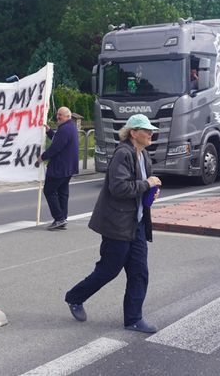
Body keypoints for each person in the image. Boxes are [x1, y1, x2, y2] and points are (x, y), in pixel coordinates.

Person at [64, 114, 162, 333]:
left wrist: (151, 190)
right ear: (133, 133)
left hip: (136, 224)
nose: (151, 133)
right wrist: (146, 184)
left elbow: (143, 184)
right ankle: (74, 297)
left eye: (151, 130)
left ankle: (134, 319)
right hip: (117, 223)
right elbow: (119, 188)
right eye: (146, 130)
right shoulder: (123, 154)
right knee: (109, 270)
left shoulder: (143, 154)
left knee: (139, 272)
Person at [39, 107, 79, 230]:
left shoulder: (65, 129)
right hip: (68, 168)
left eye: (60, 115)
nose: (58, 117)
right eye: (57, 114)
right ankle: (63, 218)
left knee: (49, 191)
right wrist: (49, 131)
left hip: (60, 168)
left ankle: (59, 218)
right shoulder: (70, 127)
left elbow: (56, 147)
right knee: (62, 193)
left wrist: (42, 157)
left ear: (68, 116)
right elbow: (59, 139)